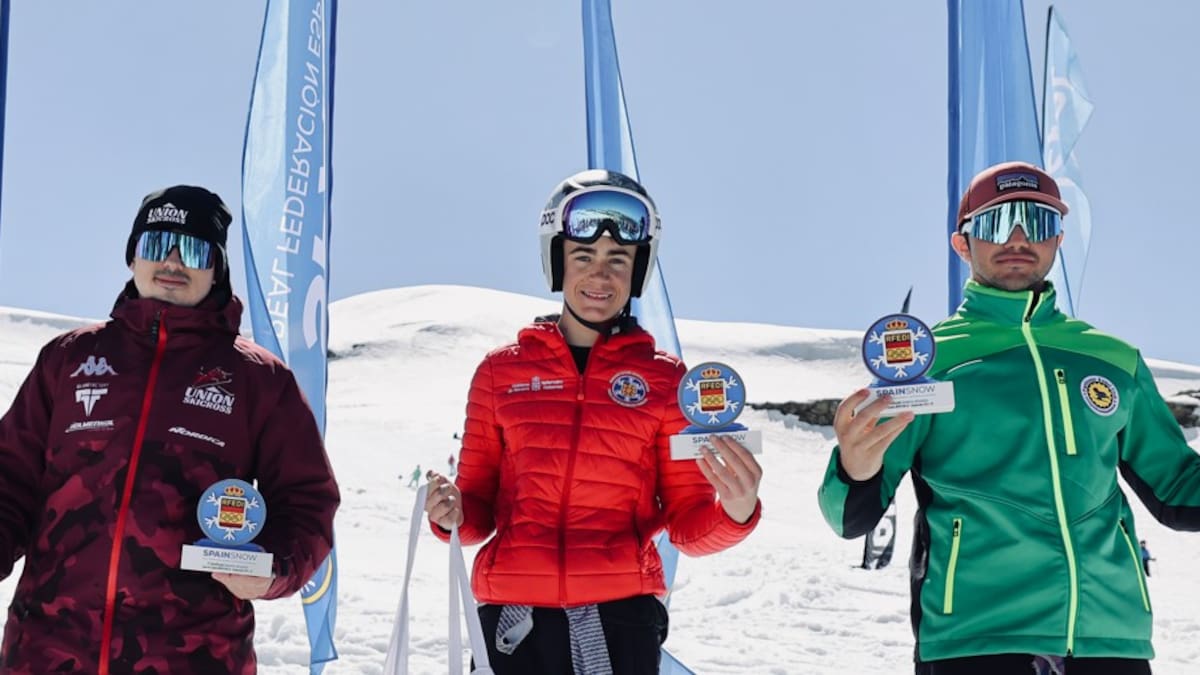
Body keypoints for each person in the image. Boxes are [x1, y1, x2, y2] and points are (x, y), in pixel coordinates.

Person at [817, 161, 1200, 675]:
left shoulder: (1114, 360)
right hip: (976, 640)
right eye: (997, 224)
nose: (1018, 239)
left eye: (1037, 224)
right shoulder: (929, 364)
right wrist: (854, 467)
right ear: (962, 244)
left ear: (1058, 239)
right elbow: (848, 515)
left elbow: (1177, 486)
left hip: (1109, 640)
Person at [424, 169, 763, 674]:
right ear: (557, 261)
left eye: (618, 260)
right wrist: (448, 514)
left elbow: (689, 524)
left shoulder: (666, 380)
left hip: (620, 619)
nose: (600, 276)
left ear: (638, 270)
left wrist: (736, 511)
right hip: (513, 620)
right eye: (584, 257)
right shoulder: (501, 372)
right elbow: (477, 514)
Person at [0, 185, 339, 673]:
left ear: (217, 267)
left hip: (195, 655)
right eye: (157, 246)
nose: (174, 263)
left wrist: (270, 569)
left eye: (195, 250)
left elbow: (307, 500)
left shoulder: (258, 380)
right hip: (46, 651)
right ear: (132, 257)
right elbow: (10, 479)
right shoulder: (69, 359)